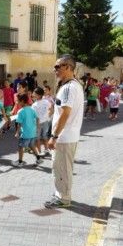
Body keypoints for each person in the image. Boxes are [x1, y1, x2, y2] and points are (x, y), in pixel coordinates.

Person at [44, 55, 84, 209]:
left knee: (62, 168)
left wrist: (54, 136)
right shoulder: (72, 86)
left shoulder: (69, 88)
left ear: (68, 67)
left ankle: (63, 198)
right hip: (67, 136)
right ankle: (61, 194)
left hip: (64, 137)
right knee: (60, 167)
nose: (55, 70)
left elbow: (65, 113)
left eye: (58, 66)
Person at [12, 94, 42, 167]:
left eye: (18, 101)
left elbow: (19, 124)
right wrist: (37, 128)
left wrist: (17, 132)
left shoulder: (20, 111)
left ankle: (20, 162)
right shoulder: (32, 109)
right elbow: (37, 118)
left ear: (22, 101)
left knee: (20, 147)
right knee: (32, 145)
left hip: (25, 133)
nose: (17, 103)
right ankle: (38, 158)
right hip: (32, 132)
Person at [32, 87, 52, 157]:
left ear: (39, 95)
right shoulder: (46, 102)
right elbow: (51, 109)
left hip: (39, 123)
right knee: (44, 136)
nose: (33, 94)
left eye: (35, 93)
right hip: (45, 122)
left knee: (38, 138)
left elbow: (34, 116)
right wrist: (48, 116)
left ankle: (41, 152)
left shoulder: (34, 105)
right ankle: (45, 150)